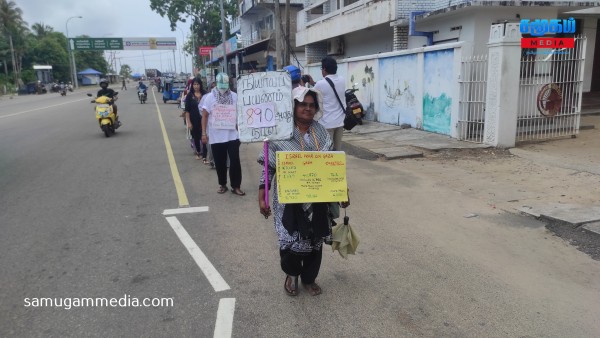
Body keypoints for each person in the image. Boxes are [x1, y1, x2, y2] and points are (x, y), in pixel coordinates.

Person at [258, 86, 350, 297]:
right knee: (290, 240)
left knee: (315, 240)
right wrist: (262, 195)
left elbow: (331, 166)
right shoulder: (279, 133)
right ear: (294, 106)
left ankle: (309, 278)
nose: (307, 109)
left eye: (311, 105)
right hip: (288, 201)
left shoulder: (321, 132)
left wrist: (342, 191)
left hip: (317, 198)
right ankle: (291, 274)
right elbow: (267, 168)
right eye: (303, 105)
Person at [201, 73, 245, 195]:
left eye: (225, 85)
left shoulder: (235, 96)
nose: (223, 88)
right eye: (221, 85)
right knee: (219, 162)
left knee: (235, 161)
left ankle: (236, 186)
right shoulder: (209, 98)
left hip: (233, 135)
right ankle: (222, 184)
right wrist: (204, 133)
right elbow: (204, 116)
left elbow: (241, 114)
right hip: (216, 136)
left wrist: (242, 130)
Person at [313, 57, 346, 151]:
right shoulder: (342, 80)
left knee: (327, 152)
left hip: (327, 124)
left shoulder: (320, 84)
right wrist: (313, 83)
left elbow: (312, 94)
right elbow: (329, 88)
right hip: (340, 122)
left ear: (324, 69)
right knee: (337, 151)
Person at [184, 78, 208, 162]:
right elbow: (187, 111)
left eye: (198, 84)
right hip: (194, 120)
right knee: (196, 137)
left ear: (200, 85)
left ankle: (205, 155)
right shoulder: (190, 96)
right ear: (192, 85)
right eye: (194, 84)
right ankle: (198, 152)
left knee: (204, 136)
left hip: (204, 119)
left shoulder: (205, 94)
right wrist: (189, 123)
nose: (196, 86)